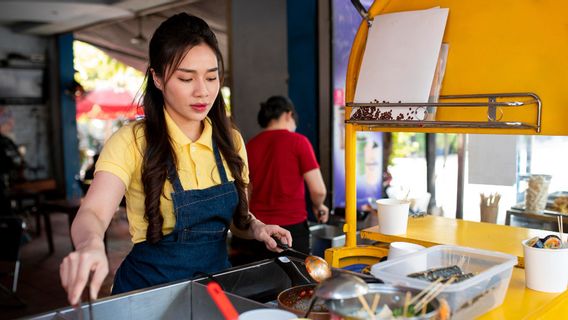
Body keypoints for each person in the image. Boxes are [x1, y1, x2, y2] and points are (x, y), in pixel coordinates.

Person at [59, 13, 292, 305]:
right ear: (157, 78)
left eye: (211, 76)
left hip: (215, 291)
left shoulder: (230, 141)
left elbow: (237, 222)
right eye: (185, 78)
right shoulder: (132, 141)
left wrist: (257, 227)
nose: (202, 91)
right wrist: (90, 245)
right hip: (147, 295)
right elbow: (92, 212)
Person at [232, 96, 328, 262]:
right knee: (295, 283)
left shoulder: (250, 146)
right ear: (288, 115)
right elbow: (318, 190)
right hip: (291, 232)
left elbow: (245, 192)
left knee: (259, 284)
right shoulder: (299, 142)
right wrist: (319, 205)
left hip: (257, 232)